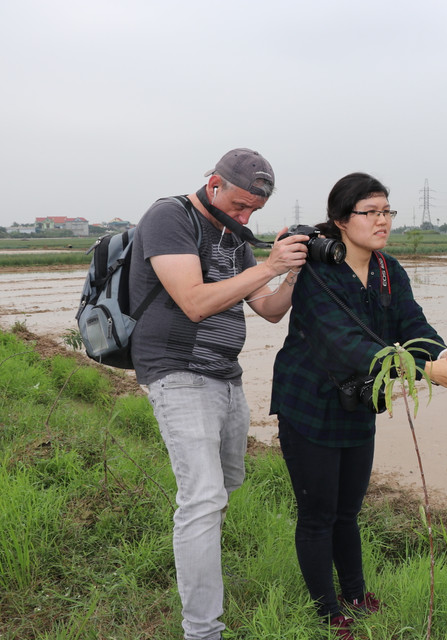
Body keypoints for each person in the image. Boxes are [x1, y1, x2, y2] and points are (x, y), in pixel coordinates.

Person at [270, 172, 447, 639]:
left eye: (387, 211)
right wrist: (422, 372)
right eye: (370, 212)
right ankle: (327, 612)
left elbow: (411, 321)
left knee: (348, 509)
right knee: (318, 513)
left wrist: (440, 355)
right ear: (342, 220)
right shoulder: (317, 273)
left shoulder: (388, 270)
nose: (382, 221)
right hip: (310, 404)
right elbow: (345, 345)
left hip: (358, 403)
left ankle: (357, 594)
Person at [129, 148, 308, 640]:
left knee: (226, 486)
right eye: (239, 205)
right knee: (203, 498)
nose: (246, 217)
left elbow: (269, 309)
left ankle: (200, 563)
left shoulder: (236, 237)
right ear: (213, 185)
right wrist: (269, 264)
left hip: (226, 376)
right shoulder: (171, 216)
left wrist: (292, 270)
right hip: (177, 370)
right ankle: (202, 630)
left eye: (255, 211)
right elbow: (193, 301)